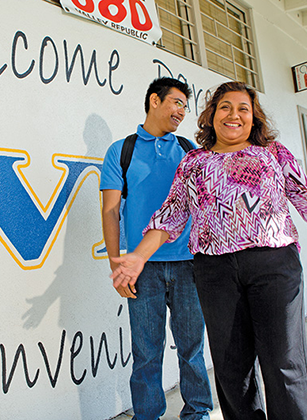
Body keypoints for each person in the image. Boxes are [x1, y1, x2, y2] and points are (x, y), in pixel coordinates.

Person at [110, 81, 307, 420]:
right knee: (231, 368)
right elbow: (172, 212)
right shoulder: (194, 162)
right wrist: (138, 256)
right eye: (224, 107)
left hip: (273, 267)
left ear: (254, 119)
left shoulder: (273, 155)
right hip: (214, 272)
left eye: (243, 109)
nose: (233, 115)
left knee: (285, 364)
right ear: (211, 116)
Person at [100, 77, 213, 420]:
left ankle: (197, 413)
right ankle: (147, 416)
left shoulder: (189, 151)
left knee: (192, 350)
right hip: (143, 268)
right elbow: (110, 211)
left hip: (189, 263)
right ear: (154, 100)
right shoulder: (122, 151)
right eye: (176, 102)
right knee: (146, 352)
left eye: (184, 105)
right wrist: (117, 265)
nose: (181, 111)